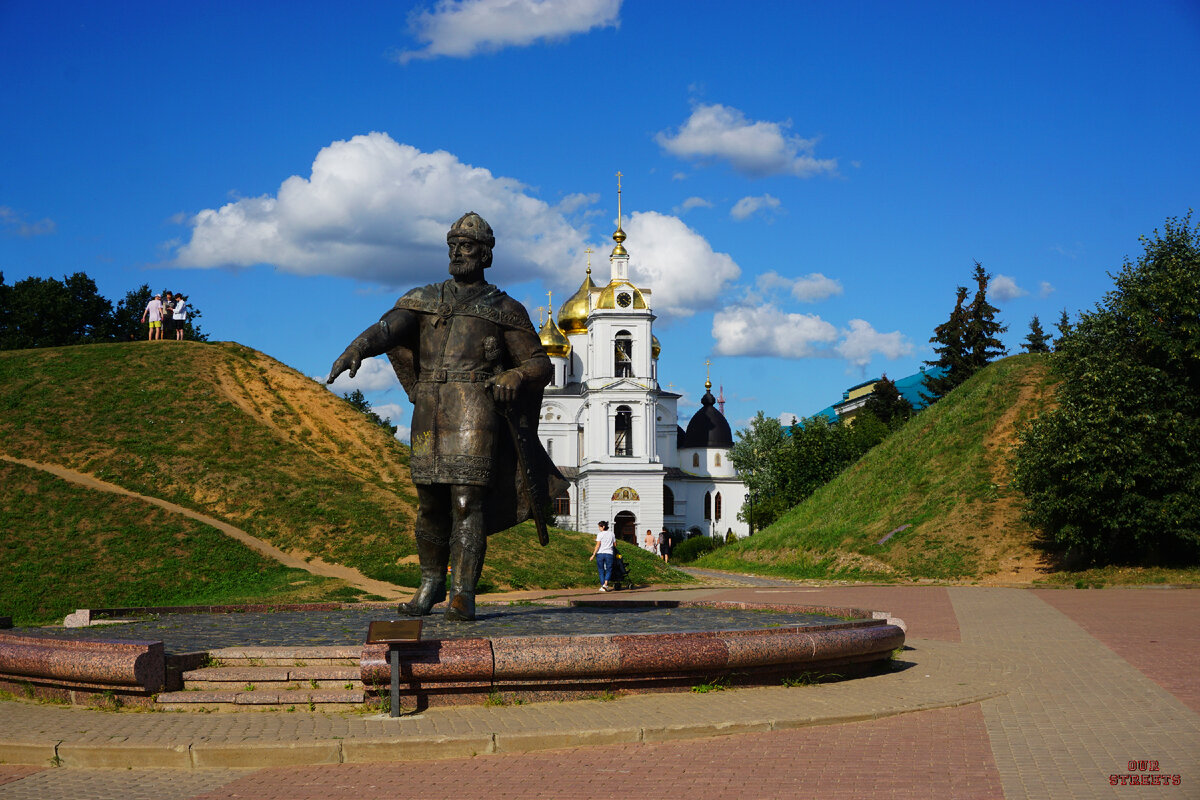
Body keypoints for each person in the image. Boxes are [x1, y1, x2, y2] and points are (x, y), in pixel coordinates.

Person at [327, 212, 561, 621]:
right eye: (452, 244)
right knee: (429, 504)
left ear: (485, 254)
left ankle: (462, 592)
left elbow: (542, 364)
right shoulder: (424, 298)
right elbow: (387, 329)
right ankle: (430, 583)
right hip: (430, 407)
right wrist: (357, 347)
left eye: (466, 245)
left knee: (467, 501)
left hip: (476, 407)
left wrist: (515, 373)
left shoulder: (505, 308)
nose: (457, 252)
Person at [589, 520, 615, 592]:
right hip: (609, 553)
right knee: (609, 569)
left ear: (603, 527)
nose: (599, 528)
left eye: (599, 527)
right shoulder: (612, 534)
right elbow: (615, 544)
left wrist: (593, 555)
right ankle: (605, 585)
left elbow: (597, 545)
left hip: (600, 554)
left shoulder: (600, 534)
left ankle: (603, 585)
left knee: (601, 570)